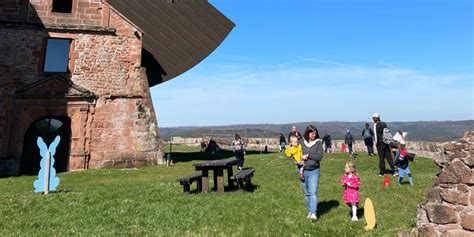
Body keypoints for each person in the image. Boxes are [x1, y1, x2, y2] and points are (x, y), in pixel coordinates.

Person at [300, 125, 323, 221]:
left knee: (313, 192)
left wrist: (308, 155)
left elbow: (319, 157)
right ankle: (310, 210)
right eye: (312, 133)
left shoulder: (318, 143)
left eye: (315, 133)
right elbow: (296, 153)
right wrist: (299, 158)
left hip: (314, 170)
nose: (314, 135)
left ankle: (313, 212)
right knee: (306, 193)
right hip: (303, 170)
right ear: (307, 133)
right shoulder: (301, 142)